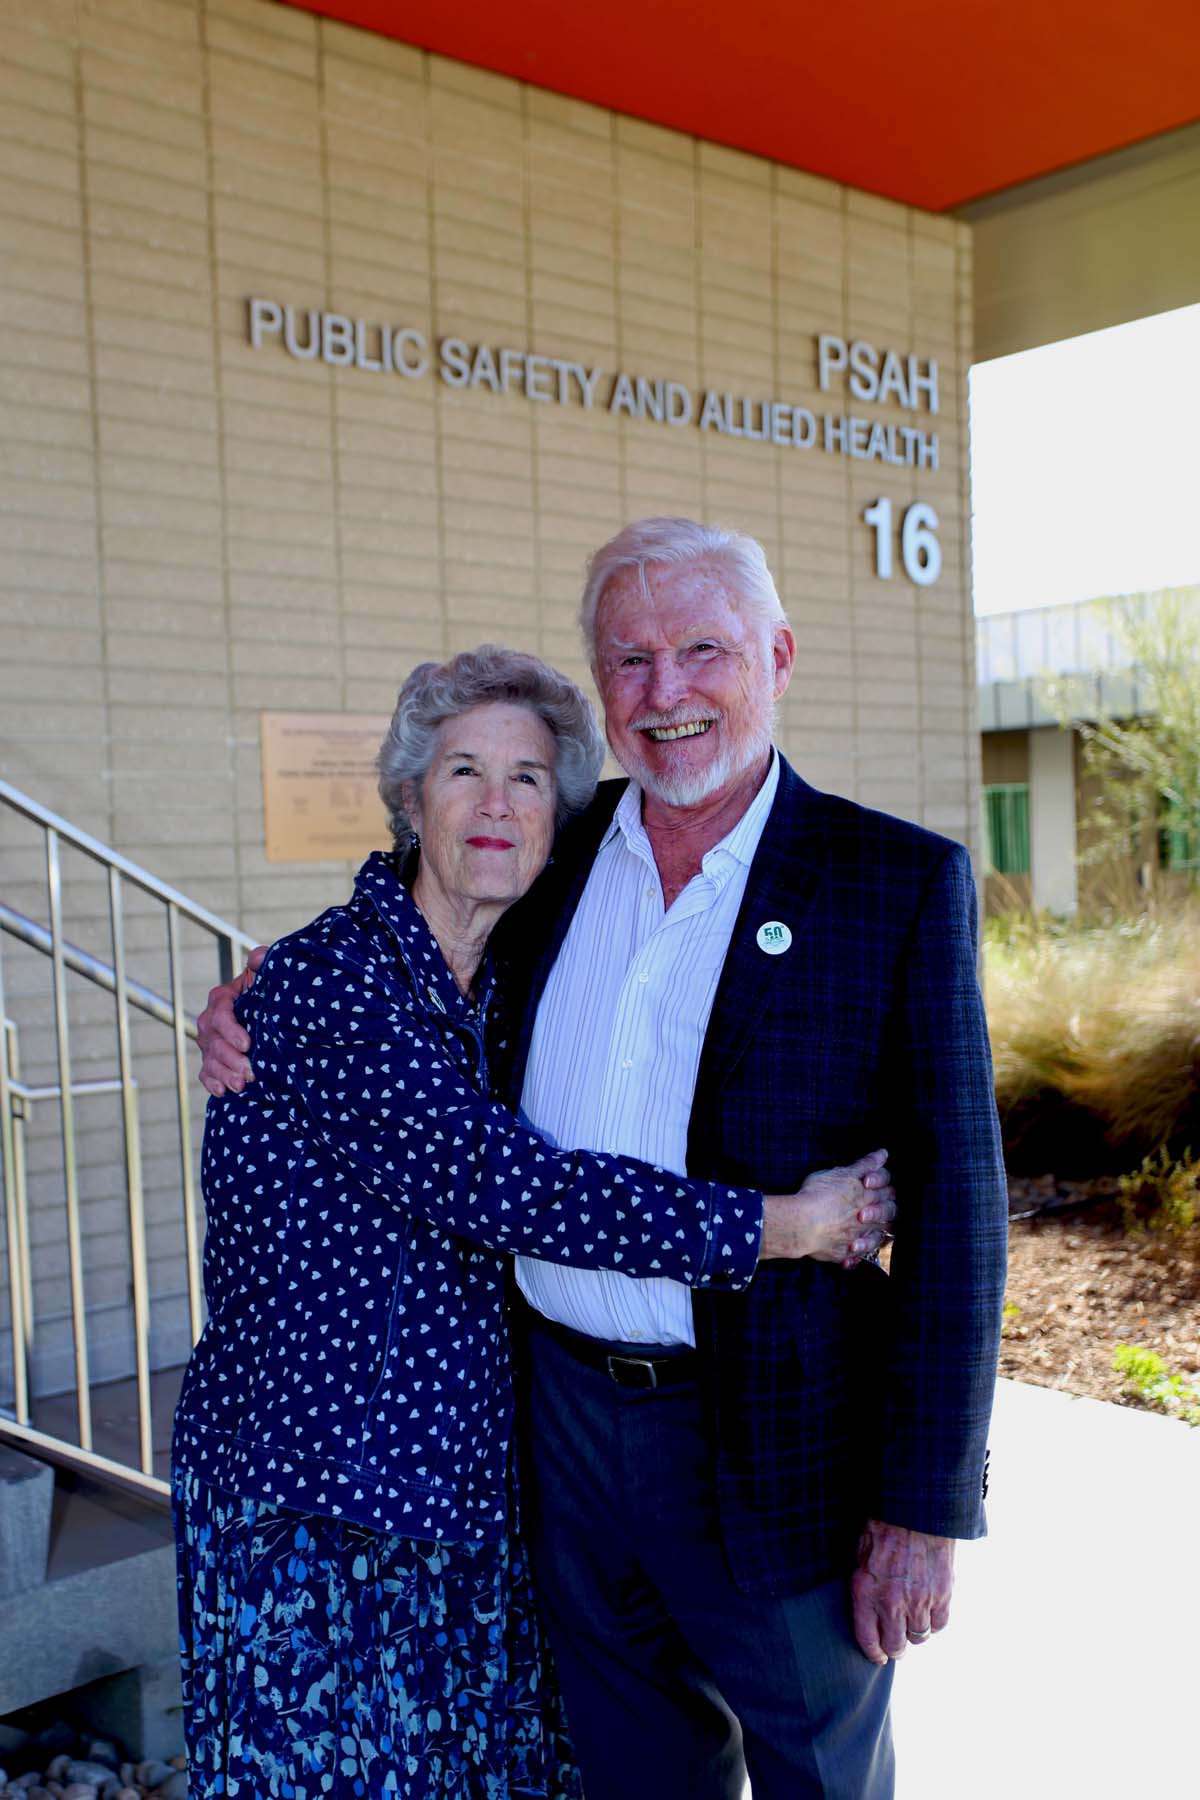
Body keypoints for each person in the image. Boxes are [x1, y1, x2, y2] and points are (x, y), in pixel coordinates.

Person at [180, 644, 898, 1800]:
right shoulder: (325, 984)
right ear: (411, 798)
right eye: (463, 771)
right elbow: (515, 1187)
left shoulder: (520, 980)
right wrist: (780, 1225)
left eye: (527, 779)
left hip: (480, 1499)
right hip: (323, 1502)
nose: (496, 804)